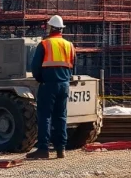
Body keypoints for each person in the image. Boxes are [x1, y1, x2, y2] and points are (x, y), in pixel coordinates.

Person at [27, 15, 76, 160]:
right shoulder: (69, 45)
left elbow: (35, 67)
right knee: (61, 116)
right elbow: (73, 65)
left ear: (51, 28)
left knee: (45, 116)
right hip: (64, 84)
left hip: (48, 84)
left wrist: (40, 79)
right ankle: (61, 149)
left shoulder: (44, 44)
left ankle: (43, 148)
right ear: (61, 29)